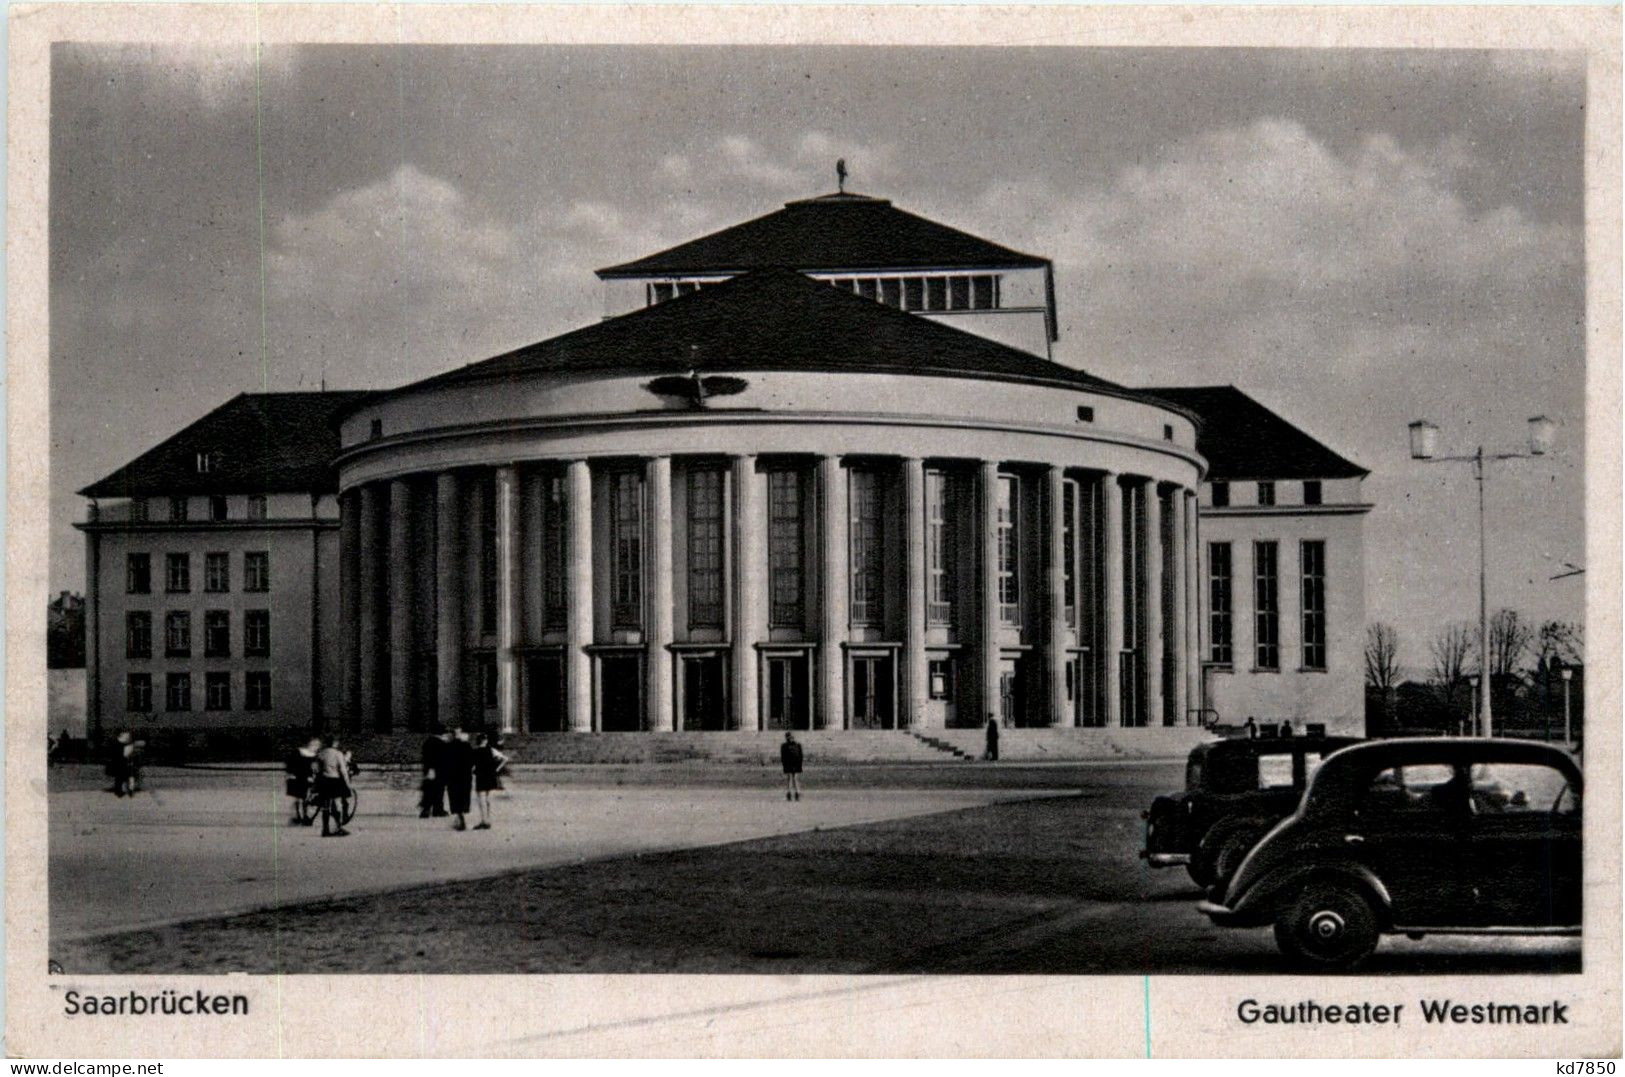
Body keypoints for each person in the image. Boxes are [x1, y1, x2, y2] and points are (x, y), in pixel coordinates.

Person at [313, 735, 354, 837]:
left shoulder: (321, 753)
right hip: (335, 780)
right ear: (334, 743)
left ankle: (325, 829)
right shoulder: (338, 754)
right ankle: (338, 828)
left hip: (324, 780)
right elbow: (343, 770)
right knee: (337, 804)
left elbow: (316, 769)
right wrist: (347, 783)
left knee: (325, 806)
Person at [472, 732, 509, 830]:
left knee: (481, 799)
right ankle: (487, 819)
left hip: (480, 776)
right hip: (490, 776)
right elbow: (505, 759)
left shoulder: (475, 751)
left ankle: (484, 820)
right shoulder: (491, 750)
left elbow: (472, 766)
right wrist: (496, 769)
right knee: (487, 798)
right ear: (485, 741)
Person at [441, 727, 475, 831]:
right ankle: (461, 816)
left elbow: (445, 762)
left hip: (453, 776)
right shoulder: (467, 745)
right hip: (465, 775)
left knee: (454, 796)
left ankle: (458, 816)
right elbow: (472, 761)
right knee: (464, 796)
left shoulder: (448, 746)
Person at [284, 737, 320, 825]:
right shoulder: (299, 752)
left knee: (303, 798)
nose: (317, 747)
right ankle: (300, 816)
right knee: (300, 798)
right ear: (310, 744)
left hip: (305, 778)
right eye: (316, 745)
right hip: (299, 778)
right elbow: (291, 765)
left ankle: (301, 816)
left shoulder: (314, 755)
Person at [419, 728, 450, 819]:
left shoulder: (428, 742)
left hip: (429, 770)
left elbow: (426, 757)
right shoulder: (441, 744)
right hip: (439, 771)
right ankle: (437, 809)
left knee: (428, 789)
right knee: (439, 790)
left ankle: (426, 809)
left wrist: (428, 769)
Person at [104, 731, 132, 796]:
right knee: (120, 777)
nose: (128, 737)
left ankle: (120, 790)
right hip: (118, 762)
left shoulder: (119, 743)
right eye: (126, 735)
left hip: (120, 762)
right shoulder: (119, 743)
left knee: (120, 777)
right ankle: (120, 790)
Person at [780, 731, 803, 801]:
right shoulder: (797, 745)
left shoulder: (785, 746)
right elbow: (800, 756)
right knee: (793, 779)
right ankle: (794, 794)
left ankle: (792, 794)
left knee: (791, 779)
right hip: (793, 764)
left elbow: (783, 757)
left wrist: (785, 765)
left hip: (791, 764)